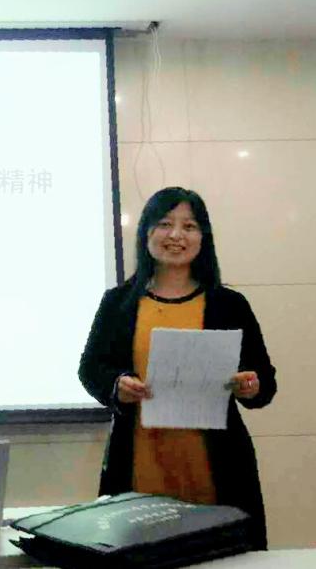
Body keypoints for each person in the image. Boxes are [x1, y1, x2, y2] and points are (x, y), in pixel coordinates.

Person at [78, 187, 277, 550]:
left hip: (214, 463)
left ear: (204, 237)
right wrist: (116, 383)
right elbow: (91, 369)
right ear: (146, 232)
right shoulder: (118, 302)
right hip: (140, 455)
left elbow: (264, 378)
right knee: (137, 551)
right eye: (165, 224)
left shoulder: (229, 304)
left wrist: (252, 385)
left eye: (189, 226)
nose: (176, 235)